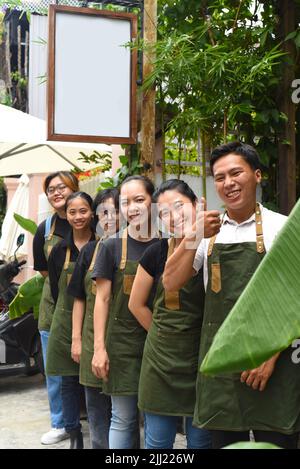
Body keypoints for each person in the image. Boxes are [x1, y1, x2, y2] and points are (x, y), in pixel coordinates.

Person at [163, 141, 300, 449]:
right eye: (219, 177)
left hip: (273, 365)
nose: (228, 183)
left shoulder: (282, 227)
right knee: (225, 443)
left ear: (257, 175)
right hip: (222, 363)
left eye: (236, 173)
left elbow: (296, 301)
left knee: (276, 441)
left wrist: (269, 355)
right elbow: (170, 283)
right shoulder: (207, 232)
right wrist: (194, 234)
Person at [128, 179, 212, 449]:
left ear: (197, 204)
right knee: (158, 441)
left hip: (203, 355)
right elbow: (136, 304)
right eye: (164, 213)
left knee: (200, 440)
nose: (173, 217)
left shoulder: (214, 248)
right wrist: (161, 334)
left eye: (179, 206)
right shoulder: (156, 252)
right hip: (161, 362)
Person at [91, 175, 159, 449]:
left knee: (157, 415)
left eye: (139, 200)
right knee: (123, 418)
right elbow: (102, 299)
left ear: (153, 201)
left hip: (160, 344)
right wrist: (99, 348)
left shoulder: (169, 244)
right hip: (121, 346)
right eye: (125, 202)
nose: (132, 208)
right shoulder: (110, 246)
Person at [67, 188, 120, 449]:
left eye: (113, 211)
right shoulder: (90, 251)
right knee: (97, 415)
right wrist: (76, 340)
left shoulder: (137, 248)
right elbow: (79, 297)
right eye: (102, 213)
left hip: (124, 344)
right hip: (91, 343)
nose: (108, 218)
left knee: (126, 416)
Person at [33, 171, 79, 445]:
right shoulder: (45, 227)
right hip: (54, 307)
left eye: (62, 187)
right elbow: (42, 270)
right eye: (51, 189)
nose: (57, 192)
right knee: (55, 370)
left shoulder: (90, 218)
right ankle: (59, 422)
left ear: (74, 187)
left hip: (90, 304)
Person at [46, 192, 95, 449]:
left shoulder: (102, 245)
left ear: (92, 213)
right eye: (73, 212)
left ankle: (99, 432)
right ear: (67, 214)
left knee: (94, 382)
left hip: (95, 321)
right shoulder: (58, 251)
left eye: (83, 210)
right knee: (67, 381)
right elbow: (55, 289)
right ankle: (74, 434)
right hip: (65, 323)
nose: (78, 217)